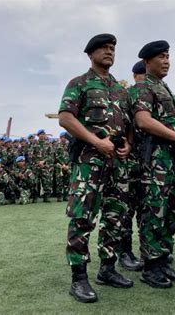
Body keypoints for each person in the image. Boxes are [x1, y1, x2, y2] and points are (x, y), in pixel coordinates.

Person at [58, 33, 133, 303]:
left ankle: (108, 269)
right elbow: (65, 118)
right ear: (90, 54)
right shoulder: (79, 84)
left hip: (117, 165)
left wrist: (128, 146)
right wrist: (96, 142)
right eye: (103, 48)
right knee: (82, 219)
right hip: (89, 164)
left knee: (116, 218)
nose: (109, 51)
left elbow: (130, 127)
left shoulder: (121, 91)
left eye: (112, 48)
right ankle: (79, 278)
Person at [132, 40, 175, 288]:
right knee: (154, 213)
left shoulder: (166, 89)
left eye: (168, 56)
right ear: (148, 62)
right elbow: (144, 121)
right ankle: (151, 265)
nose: (167, 61)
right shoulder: (143, 88)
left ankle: (164, 260)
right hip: (156, 162)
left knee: (172, 213)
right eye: (161, 57)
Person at [118, 61, 147, 272]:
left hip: (149, 163)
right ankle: (124, 251)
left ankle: (148, 251)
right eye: (143, 76)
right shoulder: (127, 97)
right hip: (128, 162)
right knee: (125, 210)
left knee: (146, 210)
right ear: (136, 76)